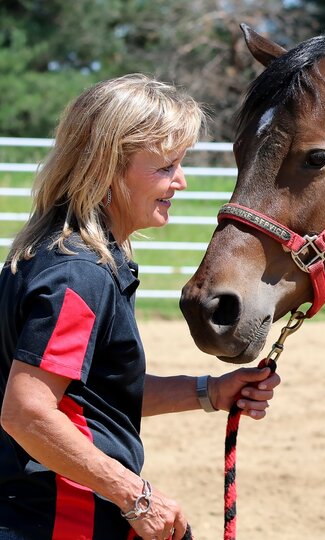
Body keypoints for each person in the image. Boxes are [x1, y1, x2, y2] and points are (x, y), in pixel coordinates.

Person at [0, 74, 280, 540]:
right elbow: (28, 412)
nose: (181, 182)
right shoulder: (80, 275)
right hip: (62, 521)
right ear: (106, 168)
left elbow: (89, 395)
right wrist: (136, 497)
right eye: (166, 167)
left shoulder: (54, 257)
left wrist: (210, 391)